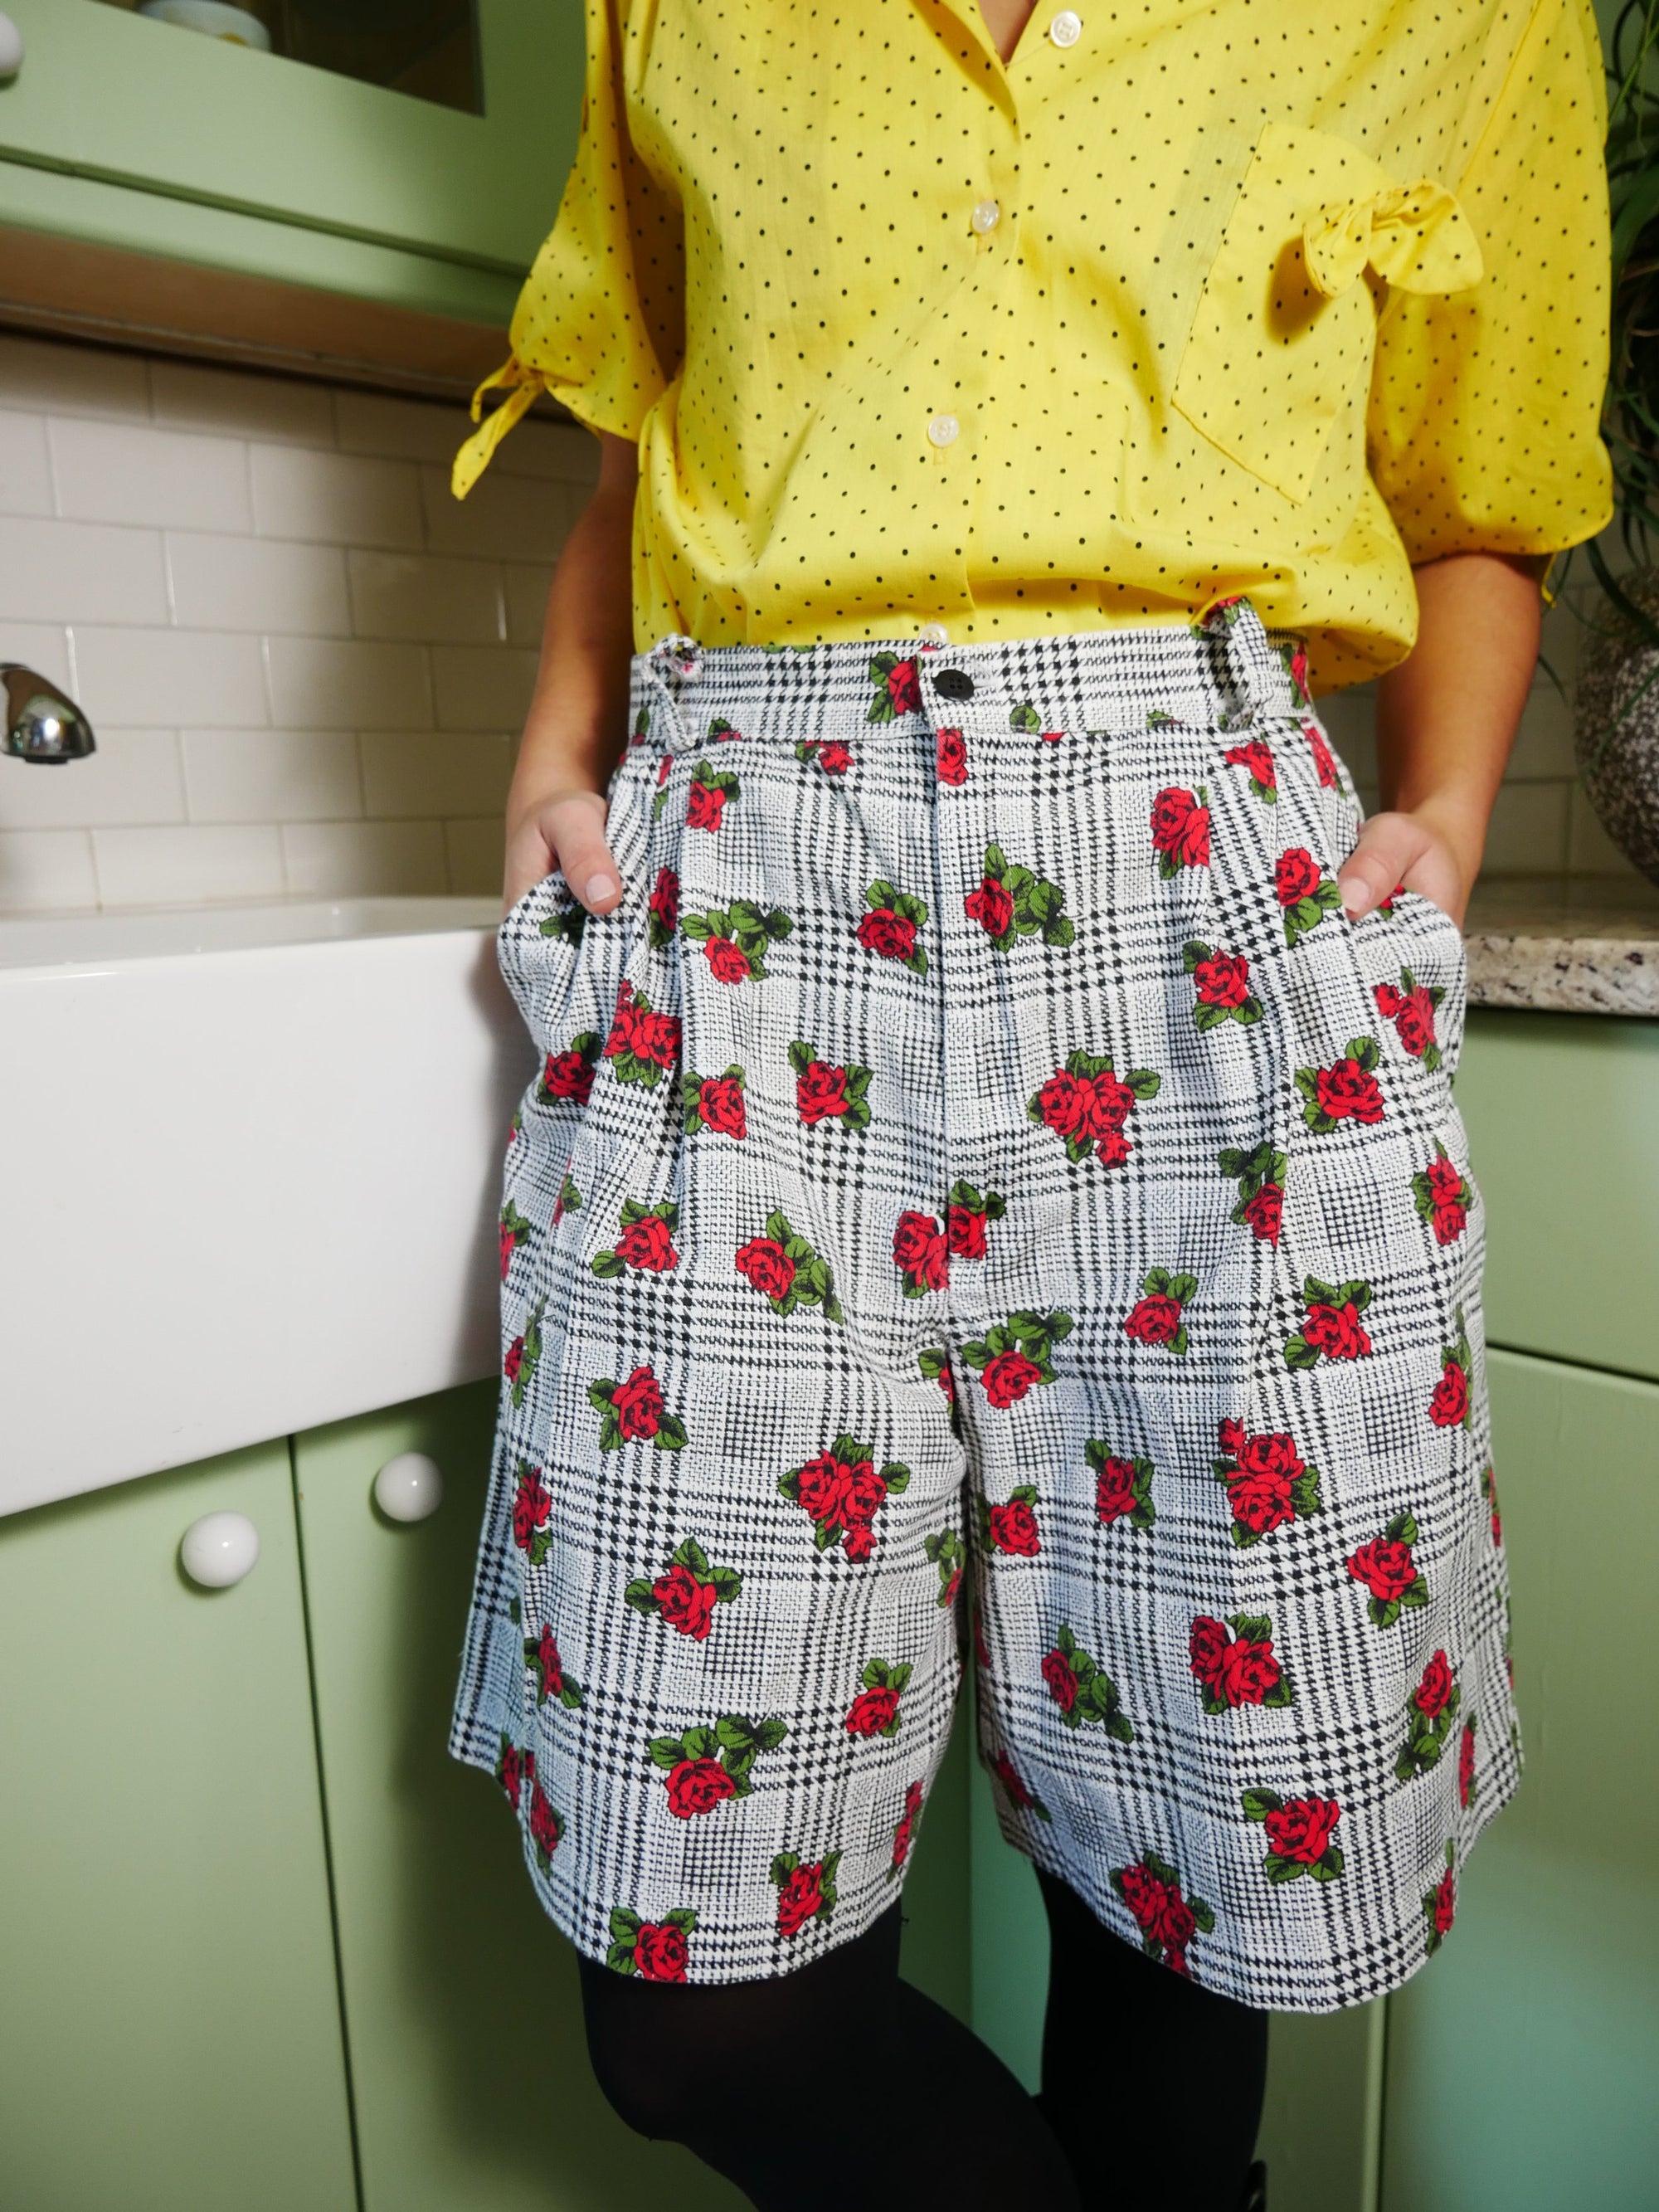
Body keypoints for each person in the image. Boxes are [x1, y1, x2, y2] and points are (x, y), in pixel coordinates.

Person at [446, 0, 1612, 2205]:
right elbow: (638, 420)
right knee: (705, 2005)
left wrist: (1441, 824)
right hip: (751, 910)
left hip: (1203, 911)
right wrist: (551, 756)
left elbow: (1489, 486)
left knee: (1179, 1889)